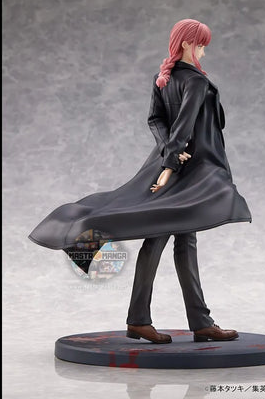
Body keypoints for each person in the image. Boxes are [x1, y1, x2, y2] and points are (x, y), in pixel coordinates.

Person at [28, 18, 252, 344]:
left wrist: (166, 152)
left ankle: (195, 322)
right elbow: (185, 124)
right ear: (187, 43)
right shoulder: (194, 81)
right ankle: (144, 319)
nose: (204, 50)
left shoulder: (165, 79)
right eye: (201, 44)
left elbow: (156, 120)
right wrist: (171, 163)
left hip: (170, 163)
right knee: (158, 236)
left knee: (182, 240)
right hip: (188, 170)